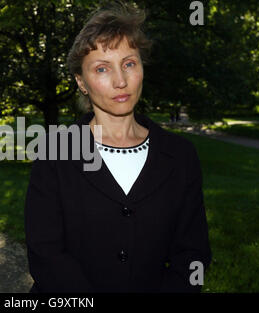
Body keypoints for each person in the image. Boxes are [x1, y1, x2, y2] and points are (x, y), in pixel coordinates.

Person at [24, 2, 212, 293]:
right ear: (81, 82)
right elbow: (45, 255)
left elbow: (192, 255)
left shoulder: (181, 156)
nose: (121, 81)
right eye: (102, 68)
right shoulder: (54, 152)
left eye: (129, 63)